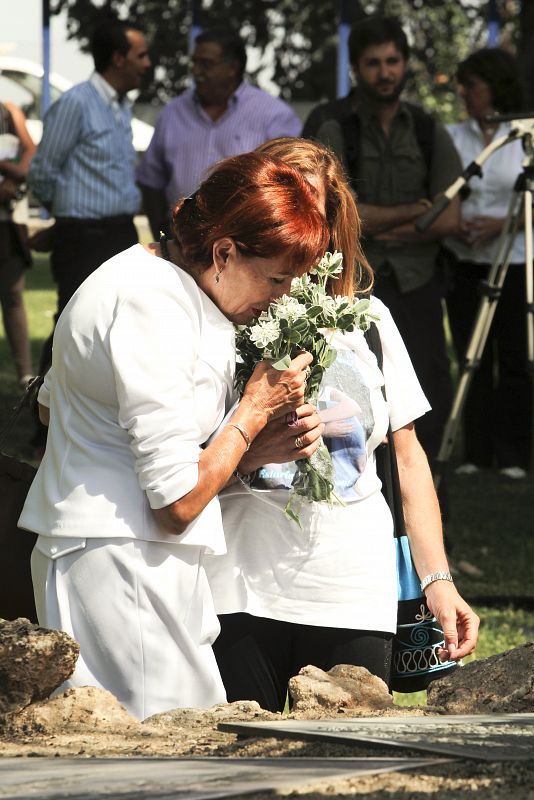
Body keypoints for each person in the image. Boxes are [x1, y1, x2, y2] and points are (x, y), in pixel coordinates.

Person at [18, 151, 329, 721]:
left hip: (135, 558)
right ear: (224, 252)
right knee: (158, 765)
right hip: (120, 564)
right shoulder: (151, 303)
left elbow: (56, 410)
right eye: (277, 278)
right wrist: (253, 410)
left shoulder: (158, 283)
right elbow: (175, 502)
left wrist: (248, 452)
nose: (283, 297)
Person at [206, 137, 479, 713]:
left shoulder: (371, 321)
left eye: (317, 211)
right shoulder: (223, 314)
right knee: (235, 763)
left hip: (352, 591)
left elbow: (408, 460)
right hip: (235, 587)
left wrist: (438, 580)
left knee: (345, 764)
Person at [311, 16, 461, 474]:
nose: (385, 72)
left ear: (405, 64)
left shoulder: (427, 127)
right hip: (351, 286)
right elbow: (328, 214)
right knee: (355, 398)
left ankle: (432, 500)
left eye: (393, 61)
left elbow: (450, 216)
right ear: (356, 68)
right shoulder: (331, 125)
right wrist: (418, 211)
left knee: (426, 394)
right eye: (373, 63)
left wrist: (371, 219)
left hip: (418, 284)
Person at [27, 18, 151, 373]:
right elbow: (42, 171)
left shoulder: (120, 105)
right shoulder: (77, 103)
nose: (147, 64)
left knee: (117, 325)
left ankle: (95, 417)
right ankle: (43, 419)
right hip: (83, 235)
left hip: (119, 232)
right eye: (140, 55)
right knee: (73, 323)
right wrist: (67, 216)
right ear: (118, 58)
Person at [443, 49, 531, 479]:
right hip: (464, 261)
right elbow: (444, 191)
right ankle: (475, 453)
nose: (465, 94)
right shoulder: (452, 135)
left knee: (513, 357)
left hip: (515, 261)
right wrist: (456, 226)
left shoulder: (525, 134)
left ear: (496, 85)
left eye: (473, 85)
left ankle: (512, 453)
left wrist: (502, 225)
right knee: (470, 357)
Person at [137, 26, 302, 239]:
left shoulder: (273, 116)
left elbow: (293, 186)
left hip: (247, 245)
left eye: (205, 64)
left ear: (232, 68)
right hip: (181, 243)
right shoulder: (173, 113)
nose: (196, 71)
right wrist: (163, 234)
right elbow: (151, 181)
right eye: (194, 63)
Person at [0, 101, 35, 388]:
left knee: (12, 294)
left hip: (8, 221)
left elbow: (30, 151)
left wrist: (14, 177)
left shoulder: (8, 110)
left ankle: (24, 374)